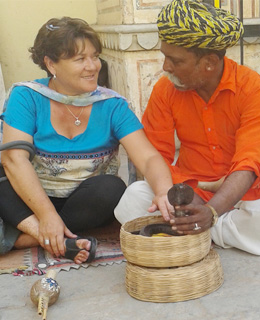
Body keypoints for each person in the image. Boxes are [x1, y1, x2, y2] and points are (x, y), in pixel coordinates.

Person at [0, 17, 174, 263]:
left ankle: (28, 236)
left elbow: (147, 157)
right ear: (51, 64)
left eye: (95, 56)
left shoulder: (112, 105)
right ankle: (48, 234)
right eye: (80, 59)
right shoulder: (26, 96)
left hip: (83, 204)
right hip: (29, 197)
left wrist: (164, 191)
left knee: (111, 188)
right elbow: (14, 159)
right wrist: (47, 215)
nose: (92, 66)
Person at [115, 0, 260, 255]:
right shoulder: (165, 89)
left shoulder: (251, 88)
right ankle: (204, 228)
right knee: (132, 198)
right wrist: (174, 193)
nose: (165, 67)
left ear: (209, 63)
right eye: (165, 57)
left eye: (175, 60)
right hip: (185, 193)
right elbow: (155, 155)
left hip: (240, 195)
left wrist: (211, 211)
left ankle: (196, 227)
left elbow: (249, 162)